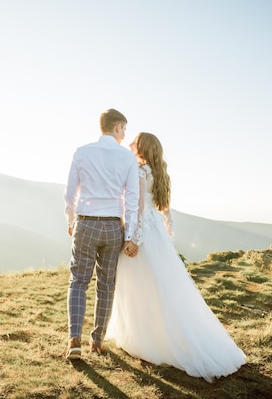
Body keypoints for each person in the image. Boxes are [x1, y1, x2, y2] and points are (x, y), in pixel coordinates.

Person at [105, 132, 247, 382]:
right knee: (161, 287)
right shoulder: (159, 172)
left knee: (140, 286)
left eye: (134, 141)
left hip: (142, 234)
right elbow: (165, 210)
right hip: (156, 231)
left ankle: (145, 338)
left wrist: (133, 239)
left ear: (143, 147)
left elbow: (137, 207)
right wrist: (164, 232)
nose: (129, 144)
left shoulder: (139, 172)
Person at [64, 109, 140, 360]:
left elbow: (70, 192)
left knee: (78, 282)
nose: (125, 134)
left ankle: (74, 340)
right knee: (106, 285)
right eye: (124, 129)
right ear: (117, 127)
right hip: (112, 227)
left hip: (86, 222)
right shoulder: (127, 158)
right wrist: (130, 234)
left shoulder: (82, 152)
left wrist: (71, 219)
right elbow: (132, 199)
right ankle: (97, 341)